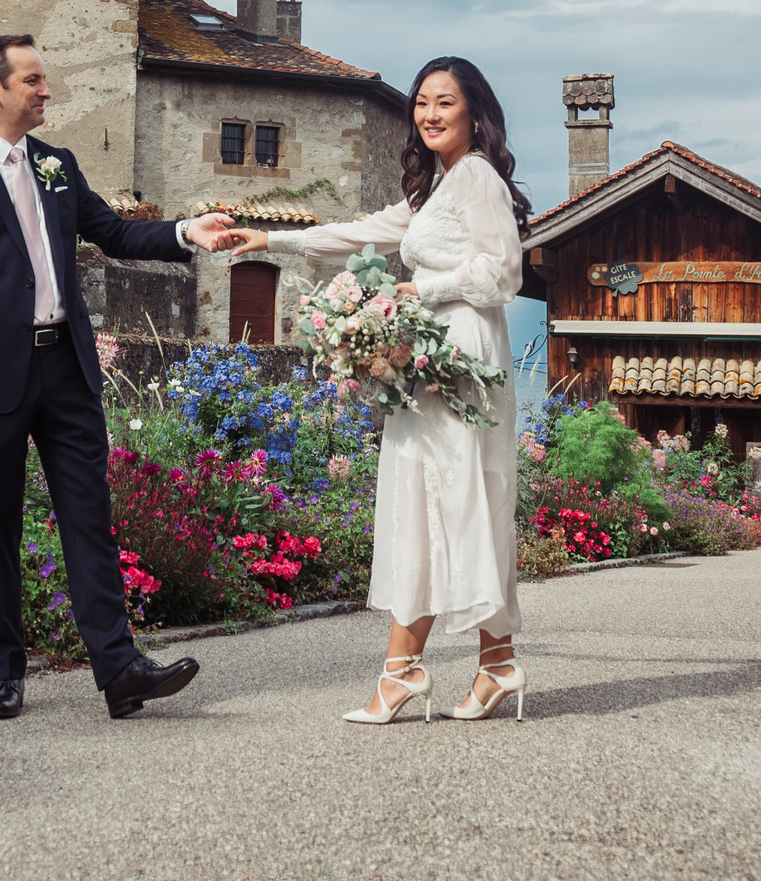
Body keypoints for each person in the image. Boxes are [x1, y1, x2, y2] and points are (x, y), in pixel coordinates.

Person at [0, 35, 239, 721]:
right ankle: (5, 671)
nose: (46, 90)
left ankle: (120, 669)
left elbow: (114, 233)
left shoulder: (57, 164)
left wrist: (185, 232)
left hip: (66, 368)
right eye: (33, 79)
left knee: (88, 518)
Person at [223, 57, 533, 723]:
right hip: (434, 353)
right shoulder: (436, 187)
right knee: (445, 497)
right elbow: (361, 231)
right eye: (421, 102)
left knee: (445, 496)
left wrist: (422, 288)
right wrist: (271, 237)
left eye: (444, 101)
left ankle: (403, 671)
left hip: (462, 352)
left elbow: (505, 271)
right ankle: (496, 663)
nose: (429, 114)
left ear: (474, 112)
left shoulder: (477, 176)